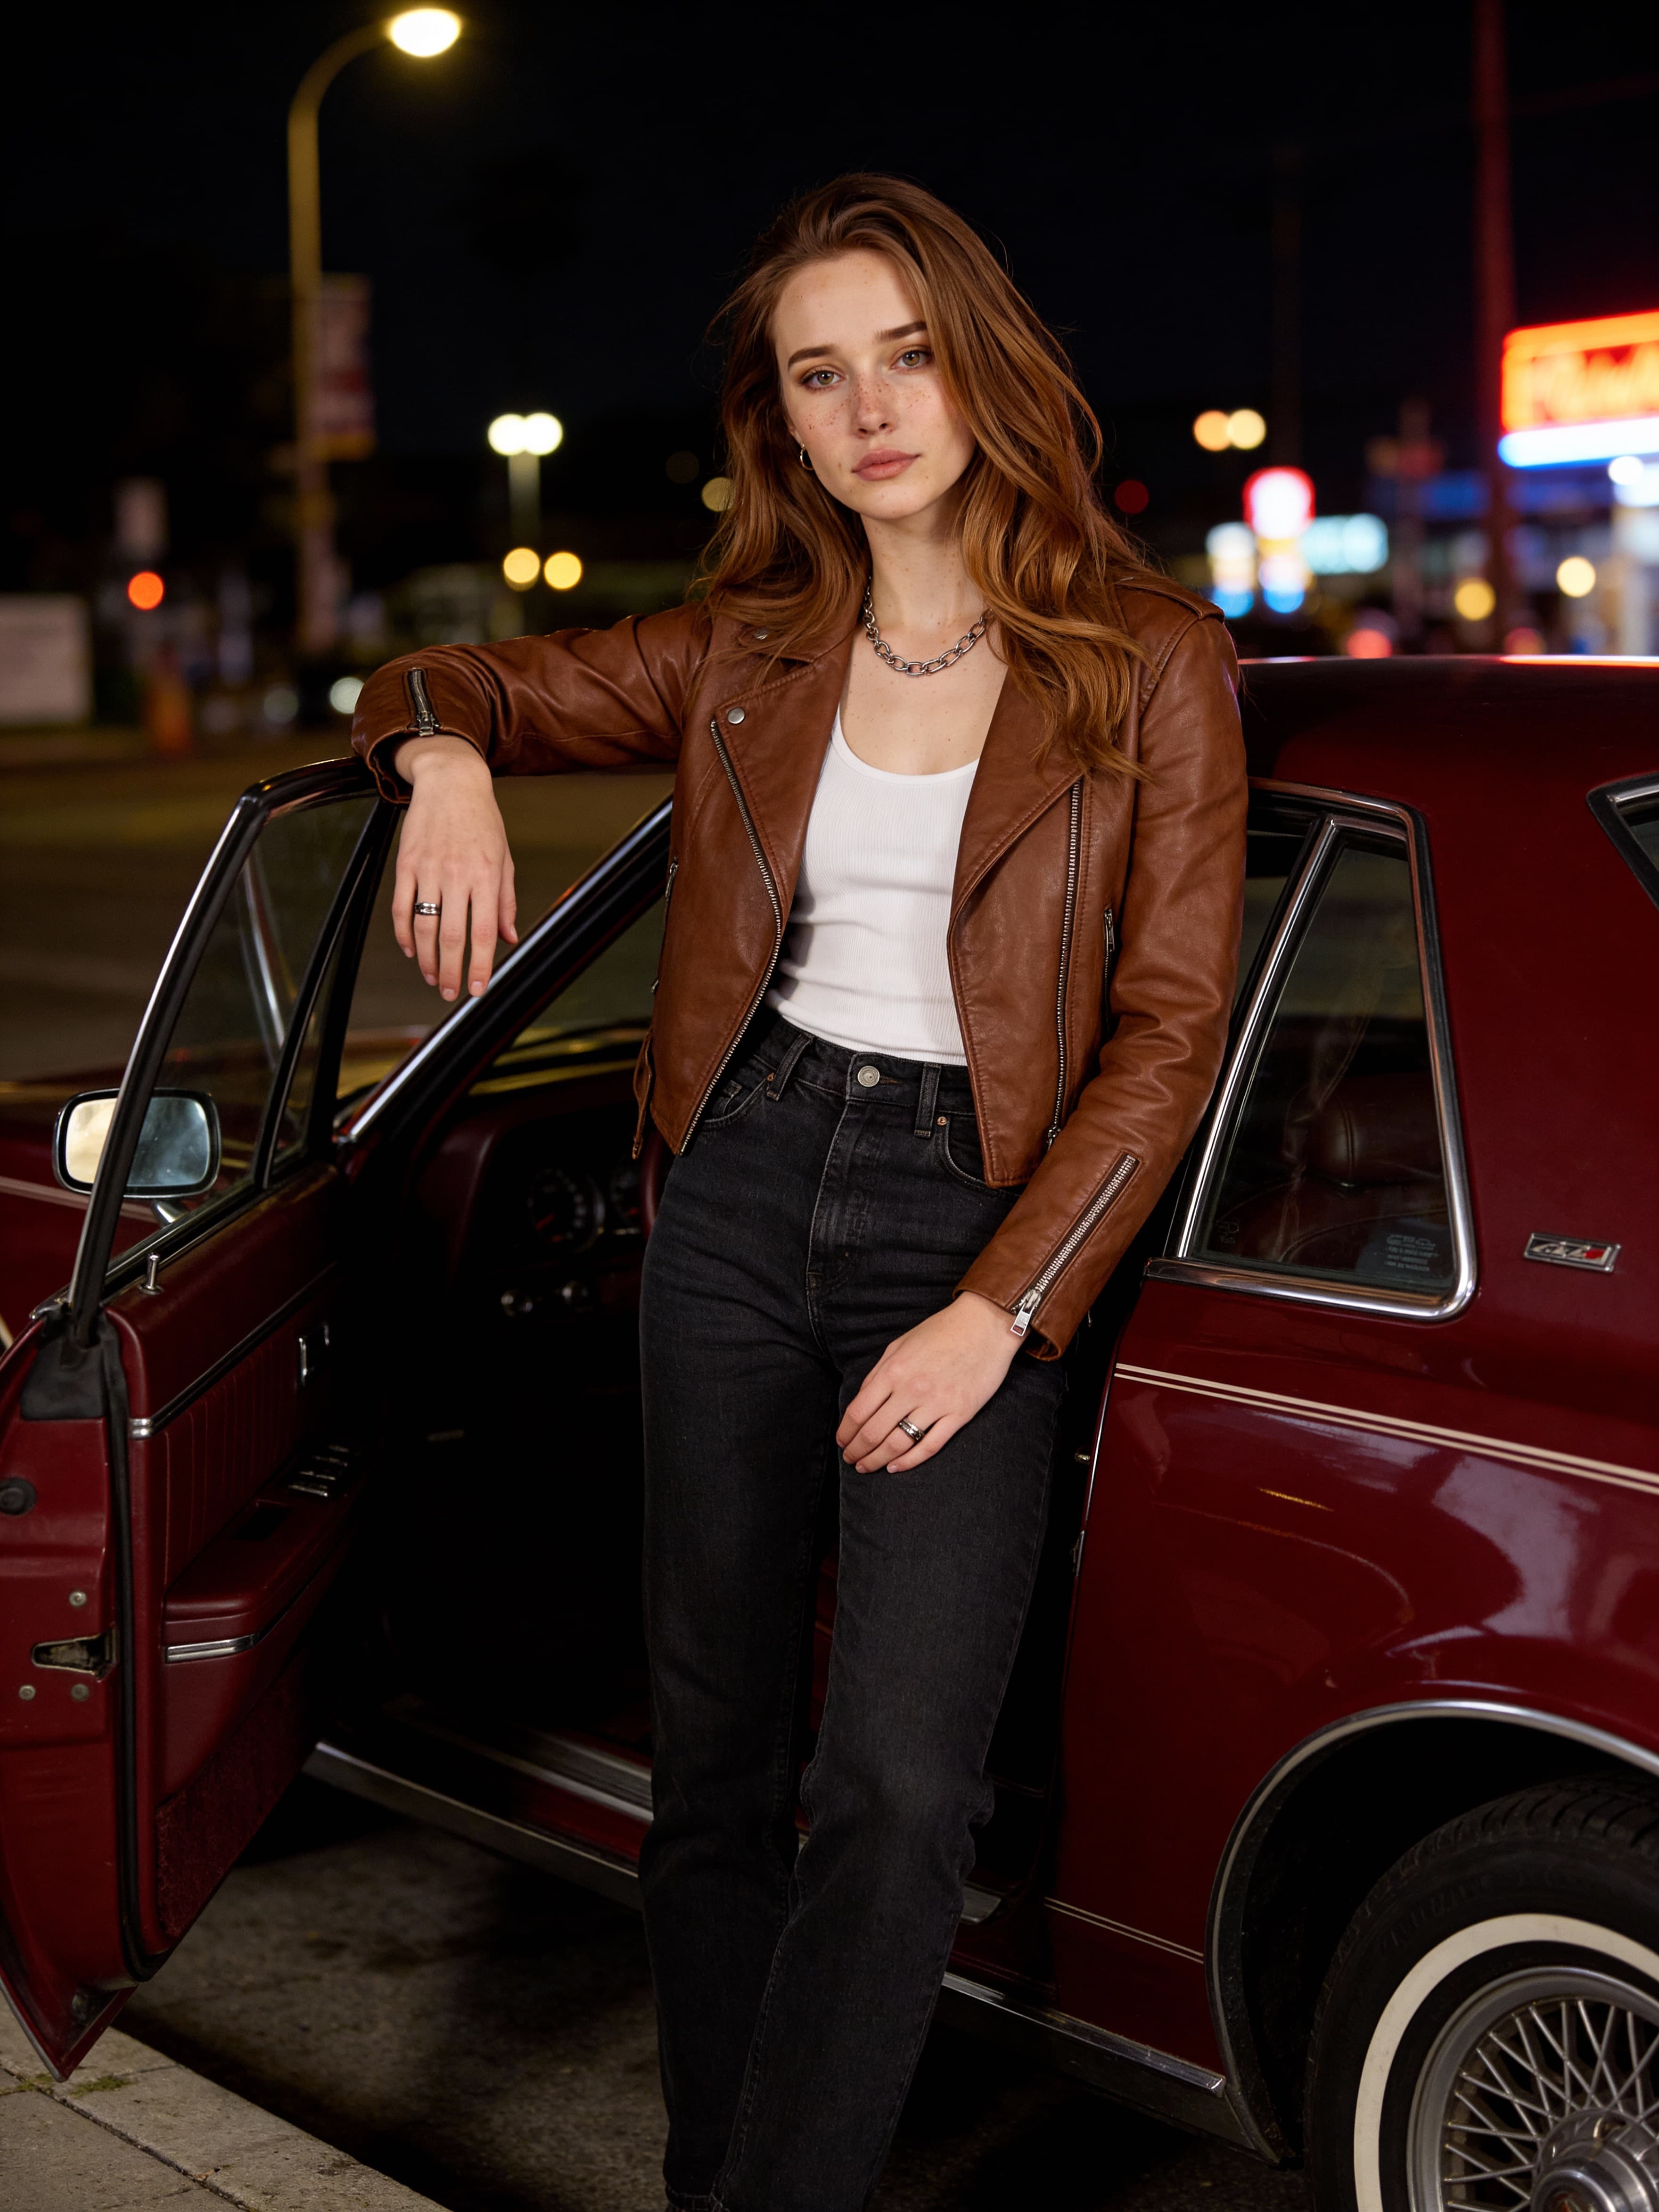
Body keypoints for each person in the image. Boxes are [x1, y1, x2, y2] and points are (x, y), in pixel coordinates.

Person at [351, 173, 1246, 2212]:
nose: (870, 410)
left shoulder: (1145, 661)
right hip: (738, 1190)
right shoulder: (743, 648)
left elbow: (1168, 1032)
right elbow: (436, 681)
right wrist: (450, 761)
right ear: (781, 417)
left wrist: (997, 1305)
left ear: (982, 367)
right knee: (716, 1759)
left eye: (905, 357)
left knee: (903, 1783)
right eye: (817, 374)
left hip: (974, 1218)